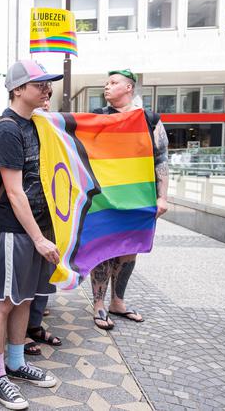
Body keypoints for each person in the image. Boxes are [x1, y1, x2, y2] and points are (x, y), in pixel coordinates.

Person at [0, 60, 62, 409]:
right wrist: (40, 239)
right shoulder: (7, 129)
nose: (47, 89)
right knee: (3, 301)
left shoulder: (34, 125)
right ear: (18, 89)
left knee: (24, 298)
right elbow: (14, 192)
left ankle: (16, 362)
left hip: (32, 229)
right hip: (11, 229)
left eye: (48, 84)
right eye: (39, 84)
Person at [90, 69, 169, 330]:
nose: (107, 87)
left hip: (139, 197)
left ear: (129, 88)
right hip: (104, 197)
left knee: (129, 249)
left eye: (113, 83)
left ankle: (118, 302)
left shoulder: (149, 119)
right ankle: (99, 304)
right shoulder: (99, 118)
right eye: (106, 83)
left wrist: (162, 197)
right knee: (102, 249)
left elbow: (161, 159)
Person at [24, 86, 62, 356]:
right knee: (23, 282)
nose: (46, 100)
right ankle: (21, 335)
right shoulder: (18, 128)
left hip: (51, 214)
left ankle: (34, 326)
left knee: (45, 277)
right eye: (42, 94)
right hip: (27, 218)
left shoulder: (52, 129)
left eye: (49, 97)